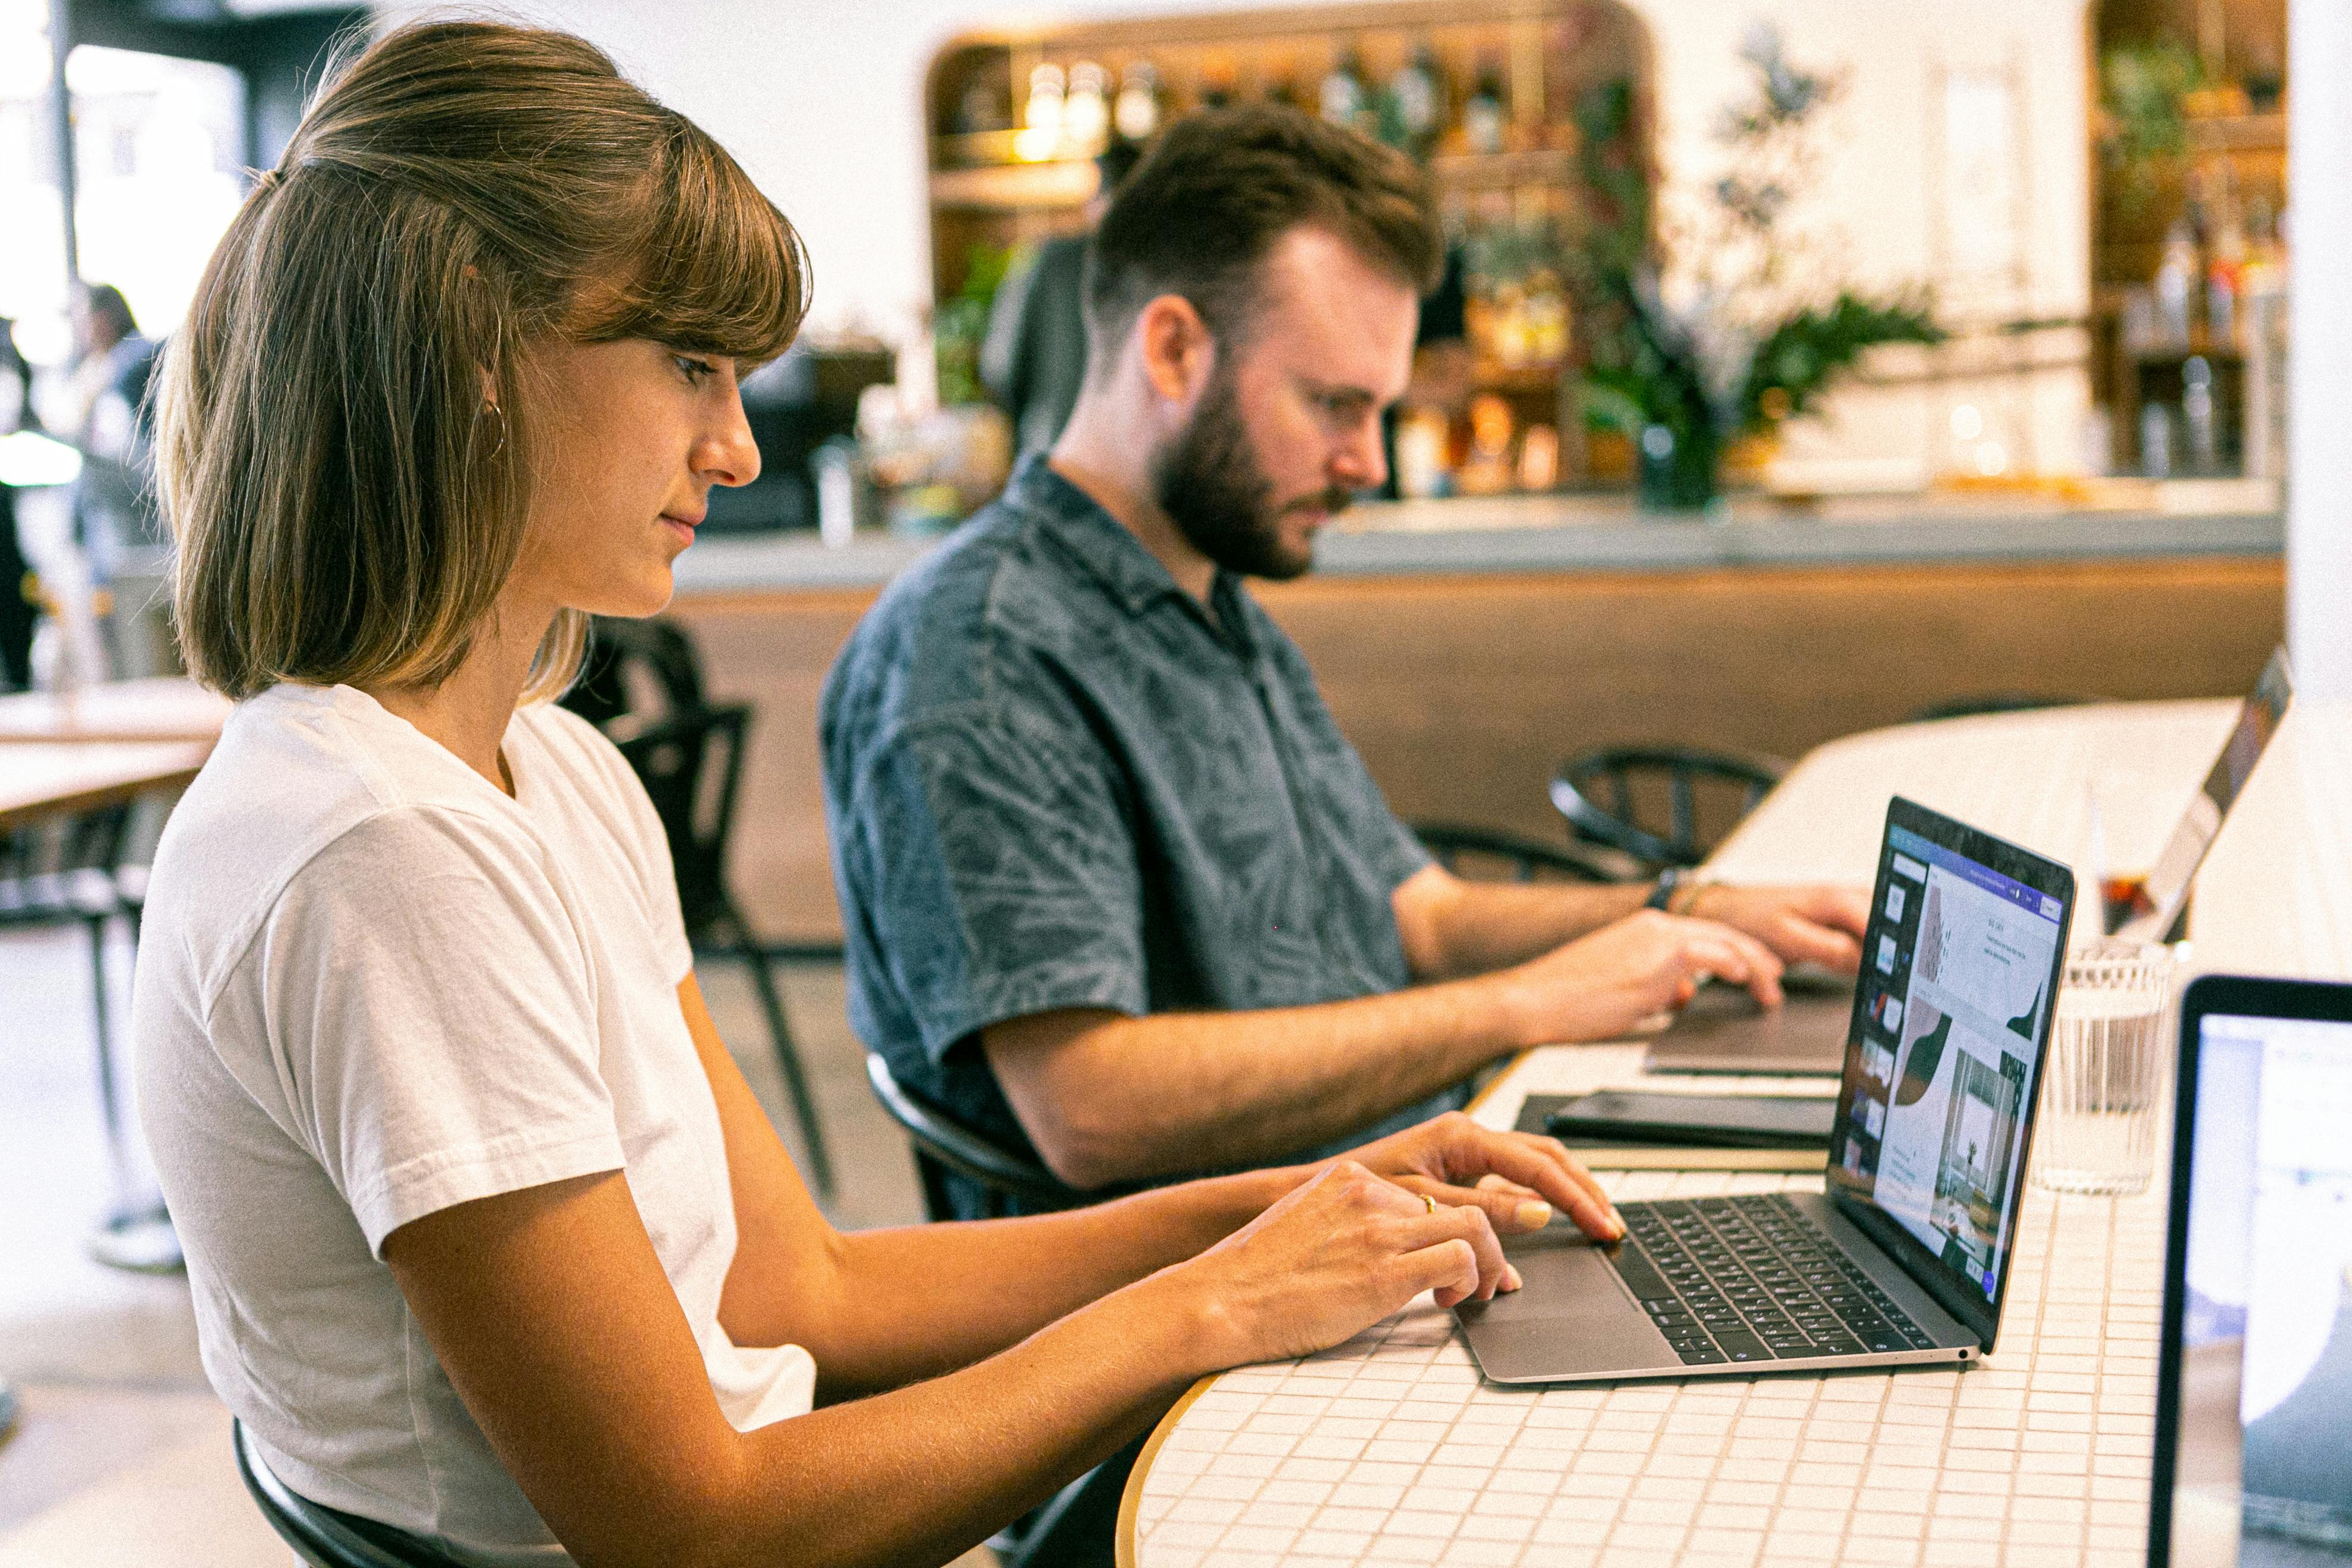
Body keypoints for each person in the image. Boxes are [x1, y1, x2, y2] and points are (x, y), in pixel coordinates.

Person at [133, 24, 1626, 1567]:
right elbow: (691, 1530)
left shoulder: (547, 770)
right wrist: (1216, 1304)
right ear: (473, 357)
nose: (733, 445)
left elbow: (808, 1297)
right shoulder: (381, 849)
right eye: (690, 366)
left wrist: (1300, 1202)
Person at [821, 106, 1870, 1218]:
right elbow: (1089, 1108)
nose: (1368, 462)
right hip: (1198, 1314)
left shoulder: (1212, 600)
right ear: (1173, 347)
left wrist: (1685, 910)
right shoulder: (979, 655)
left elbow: (1418, 917)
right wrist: (1521, 1006)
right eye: (1333, 404)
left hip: (1388, 1205)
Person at [979, 138, 1143, 460]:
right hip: (1135, 468)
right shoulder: (1166, 266)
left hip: (1054, 454)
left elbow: (1000, 365)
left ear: (1095, 199)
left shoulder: (1051, 260)